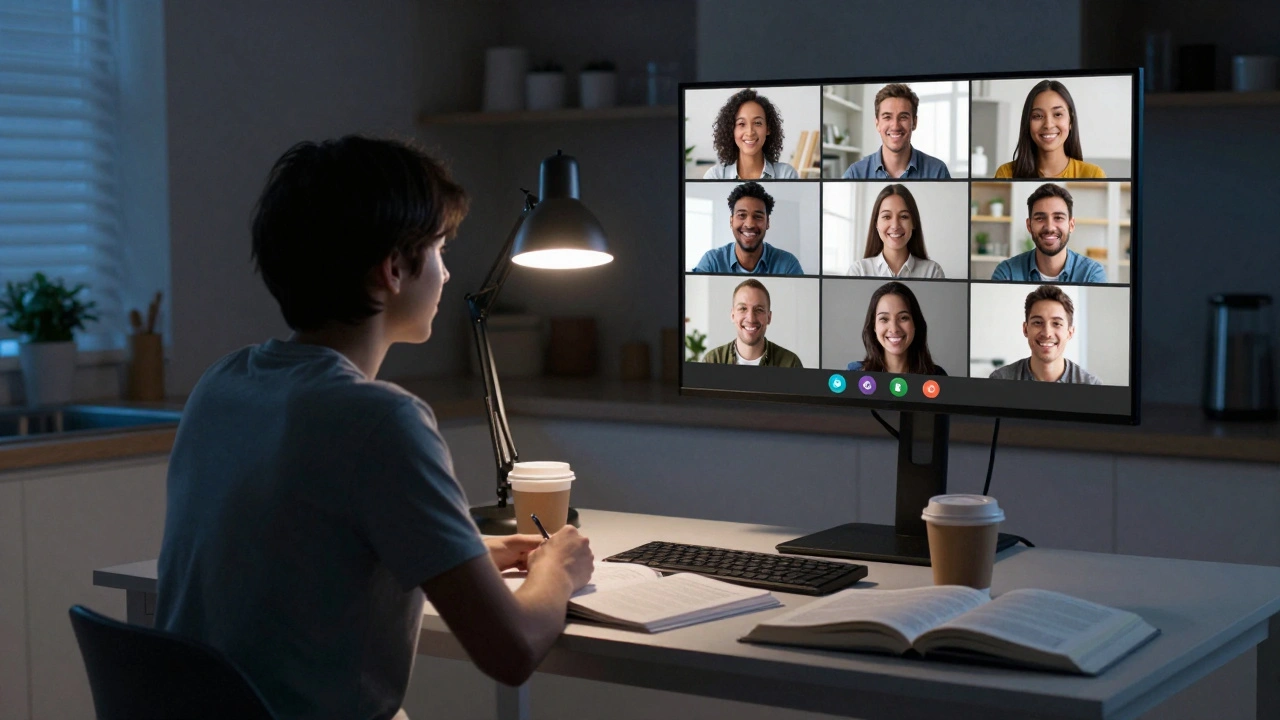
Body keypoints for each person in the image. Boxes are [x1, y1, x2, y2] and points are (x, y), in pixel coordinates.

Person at [155, 136, 596, 719]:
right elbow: (511, 650)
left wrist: (466, 556)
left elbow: (303, 559)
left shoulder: (222, 384)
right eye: (438, 250)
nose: (446, 273)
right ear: (393, 269)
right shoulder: (379, 419)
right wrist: (557, 571)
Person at [991, 183, 1106, 283]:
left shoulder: (1091, 273)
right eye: (1040, 218)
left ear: (1071, 225)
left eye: (1058, 218)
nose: (1050, 227)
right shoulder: (1007, 272)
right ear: (1029, 226)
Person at [989, 284, 1102, 384]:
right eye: (1038, 322)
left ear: (1070, 333)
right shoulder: (1000, 379)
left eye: (1056, 323)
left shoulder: (1091, 385)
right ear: (1025, 329)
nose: (1047, 333)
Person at [994, 80, 1106, 179]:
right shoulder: (1006, 174)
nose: (1048, 125)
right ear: (1027, 122)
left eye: (1057, 114)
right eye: (1038, 116)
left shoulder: (1093, 174)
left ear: (1071, 121)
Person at [693, 181, 804, 275]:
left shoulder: (788, 265)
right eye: (742, 215)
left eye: (758, 216)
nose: (750, 224)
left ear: (767, 222)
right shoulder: (712, 262)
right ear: (731, 221)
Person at [842, 84, 951, 179]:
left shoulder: (937, 172)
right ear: (877, 124)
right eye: (887, 117)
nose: (895, 126)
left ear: (914, 122)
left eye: (903, 117)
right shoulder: (855, 174)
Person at [846, 281, 946, 375]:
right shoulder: (855, 373)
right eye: (884, 319)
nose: (894, 329)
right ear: (874, 326)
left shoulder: (937, 376)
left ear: (915, 323)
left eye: (903, 318)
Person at [847, 184, 945, 278]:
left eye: (903, 217)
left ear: (914, 223)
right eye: (887, 216)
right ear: (876, 223)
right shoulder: (859, 271)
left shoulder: (932, 272)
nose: (895, 226)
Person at [702, 279, 803, 367]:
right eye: (743, 308)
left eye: (759, 310)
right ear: (733, 315)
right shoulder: (712, 361)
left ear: (769, 317)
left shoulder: (790, 364)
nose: (751, 318)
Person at [703, 88, 799, 179]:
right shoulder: (715, 176)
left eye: (757, 123)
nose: (750, 132)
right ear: (731, 129)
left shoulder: (786, 175)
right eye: (741, 124)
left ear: (768, 128)